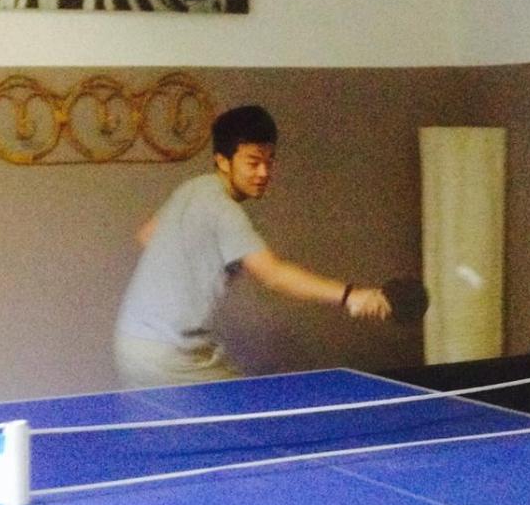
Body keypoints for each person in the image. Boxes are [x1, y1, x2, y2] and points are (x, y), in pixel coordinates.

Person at [114, 104, 390, 386]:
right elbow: (274, 275)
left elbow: (146, 235)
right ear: (223, 161)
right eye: (253, 162)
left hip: (132, 342)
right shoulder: (224, 210)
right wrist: (350, 296)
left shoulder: (194, 188)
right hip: (172, 353)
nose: (263, 172)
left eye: (269, 161)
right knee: (247, 407)